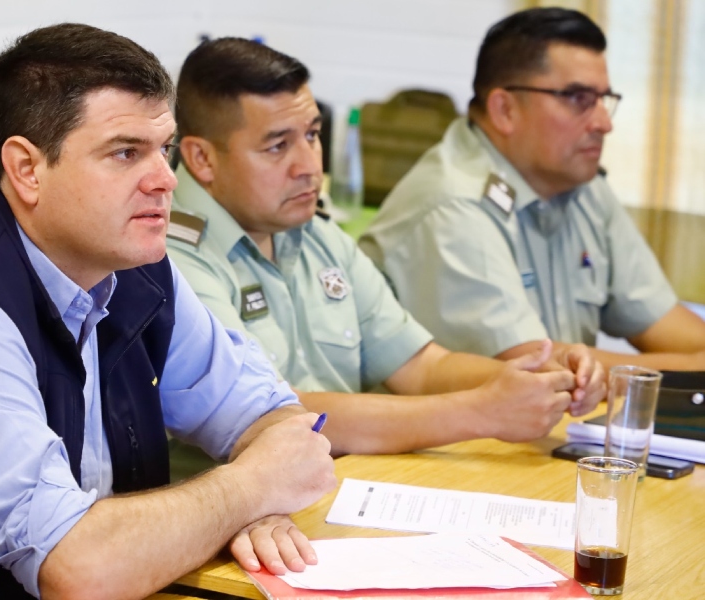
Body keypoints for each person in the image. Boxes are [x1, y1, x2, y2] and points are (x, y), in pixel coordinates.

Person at [0, 24, 336, 600]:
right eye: (125, 153)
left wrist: (259, 501)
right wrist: (246, 492)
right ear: (26, 168)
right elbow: (77, 570)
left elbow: (276, 422)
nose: (165, 180)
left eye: (163, 149)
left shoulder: (127, 262)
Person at [166, 37, 605, 465]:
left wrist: (542, 377)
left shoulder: (314, 233)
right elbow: (273, 418)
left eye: (313, 135)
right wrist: (481, 412)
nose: (309, 166)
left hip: (345, 482)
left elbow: (422, 367)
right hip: (242, 505)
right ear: (202, 159)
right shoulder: (169, 255)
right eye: (278, 146)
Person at [359, 7, 705, 371]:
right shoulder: (455, 205)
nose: (604, 123)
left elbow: (661, 320)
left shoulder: (580, 185)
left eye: (604, 100)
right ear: (504, 110)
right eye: (579, 98)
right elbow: (535, 368)